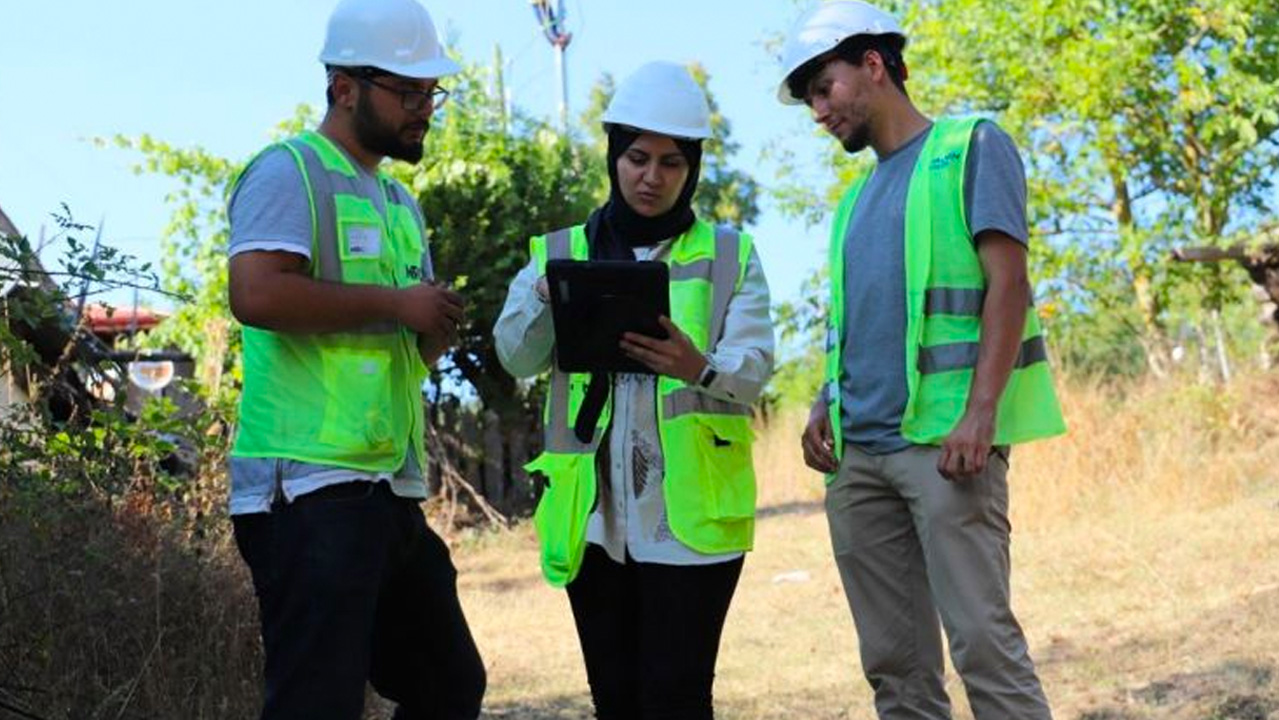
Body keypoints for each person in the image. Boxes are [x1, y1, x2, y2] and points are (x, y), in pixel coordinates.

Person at [778, 2, 1068, 718]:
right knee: (895, 670)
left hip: (944, 448)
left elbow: (1008, 281)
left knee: (982, 648)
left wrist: (980, 413)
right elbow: (866, 321)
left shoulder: (970, 146)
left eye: (824, 88)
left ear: (872, 65)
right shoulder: (853, 202)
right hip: (859, 459)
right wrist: (825, 399)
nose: (818, 111)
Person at [224, 0, 485, 717]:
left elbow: (398, 348)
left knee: (448, 684)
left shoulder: (401, 202)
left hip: (387, 490)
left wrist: (431, 333)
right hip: (305, 491)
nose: (425, 108)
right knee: (318, 703)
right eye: (409, 92)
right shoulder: (288, 171)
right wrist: (400, 307)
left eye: (431, 92)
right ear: (344, 88)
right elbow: (256, 293)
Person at [494, 61, 774, 720]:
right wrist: (548, 292)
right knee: (615, 700)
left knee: (676, 698)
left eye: (671, 163)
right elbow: (515, 356)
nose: (651, 177)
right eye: (637, 158)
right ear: (614, 157)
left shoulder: (731, 253)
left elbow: (756, 365)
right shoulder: (557, 251)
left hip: (691, 520)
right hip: (592, 520)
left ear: (693, 168)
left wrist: (696, 365)